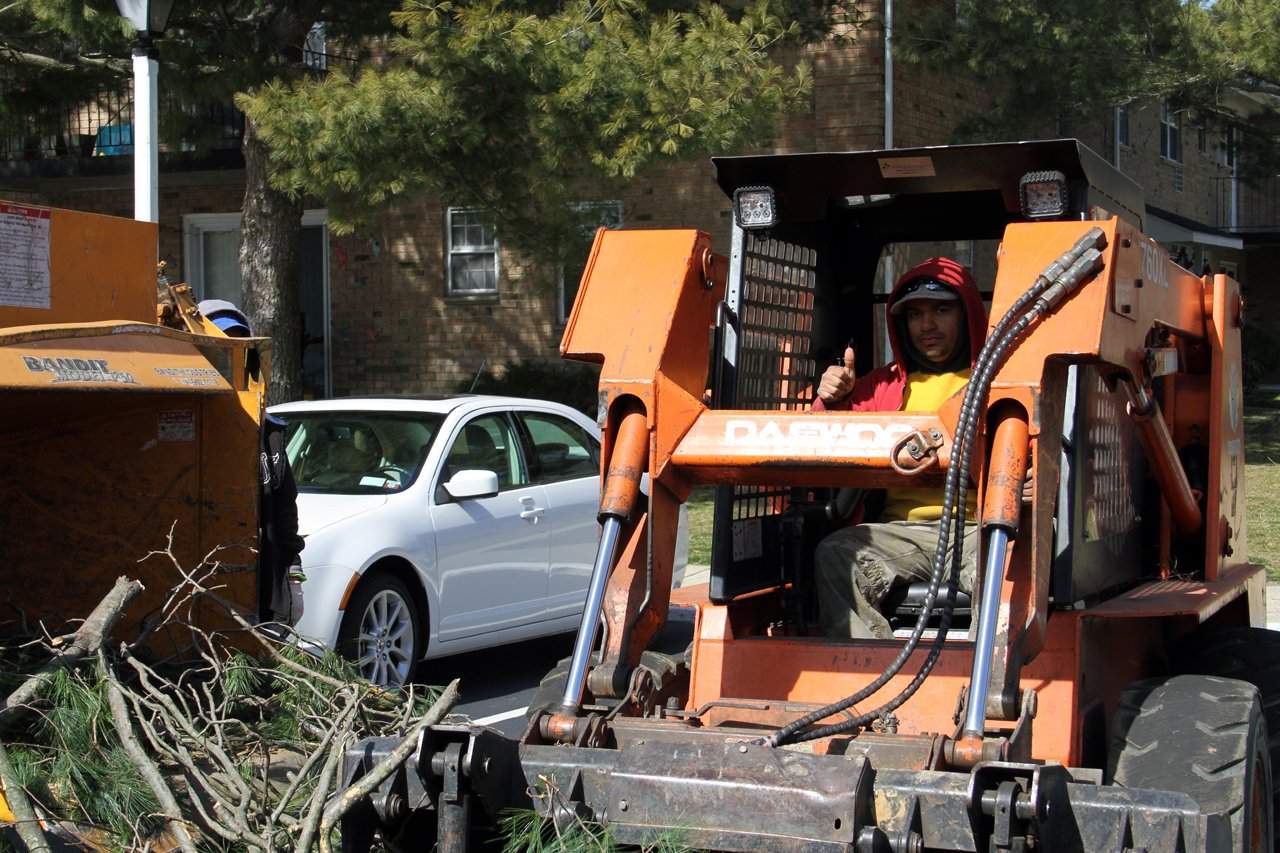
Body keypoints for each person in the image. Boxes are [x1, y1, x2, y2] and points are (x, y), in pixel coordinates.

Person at [811, 258, 988, 639]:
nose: (927, 325)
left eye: (941, 310)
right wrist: (832, 400)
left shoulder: (999, 380)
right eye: (915, 314)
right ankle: (868, 675)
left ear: (967, 313)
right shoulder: (880, 387)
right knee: (837, 553)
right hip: (903, 535)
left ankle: (977, 685)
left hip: (978, 531)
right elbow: (822, 438)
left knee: (1008, 562)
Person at [198, 299, 306, 627]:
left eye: (238, 348)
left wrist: (293, 573)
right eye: (222, 349)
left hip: (263, 591)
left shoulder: (267, 429)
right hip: (208, 588)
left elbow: (284, 505)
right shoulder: (192, 425)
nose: (230, 362)